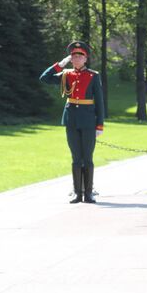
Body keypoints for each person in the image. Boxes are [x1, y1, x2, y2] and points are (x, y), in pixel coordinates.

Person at [39, 41, 105, 204]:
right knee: (76, 158)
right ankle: (77, 193)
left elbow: (100, 101)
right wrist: (60, 65)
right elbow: (44, 78)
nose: (75, 59)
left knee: (87, 158)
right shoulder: (66, 74)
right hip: (71, 120)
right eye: (73, 56)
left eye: (79, 56)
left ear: (85, 59)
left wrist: (99, 124)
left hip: (89, 120)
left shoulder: (93, 76)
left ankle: (88, 193)